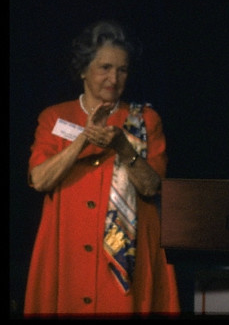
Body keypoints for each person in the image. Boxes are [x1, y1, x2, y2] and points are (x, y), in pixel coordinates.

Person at [24, 20, 180, 317]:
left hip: (127, 255)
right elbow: (40, 179)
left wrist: (123, 146)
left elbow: (151, 187)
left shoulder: (145, 119)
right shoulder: (56, 117)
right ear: (83, 70)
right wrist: (83, 138)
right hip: (66, 249)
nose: (114, 78)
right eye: (105, 68)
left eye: (122, 69)